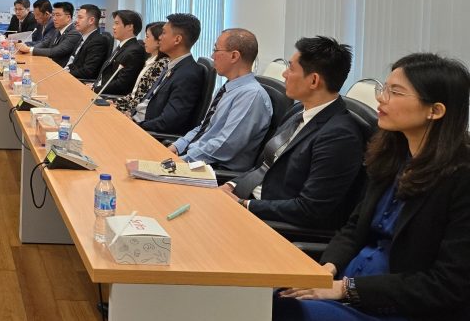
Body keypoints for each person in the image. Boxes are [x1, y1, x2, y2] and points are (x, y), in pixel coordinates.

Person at [272, 53, 470, 321]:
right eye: (384, 88)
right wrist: (326, 269)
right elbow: (353, 228)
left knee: (269, 314)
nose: (381, 99)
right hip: (350, 296)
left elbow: (446, 285)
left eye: (395, 92)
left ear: (435, 110)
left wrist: (345, 289)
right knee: (256, 297)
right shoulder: (393, 155)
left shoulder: (461, 179)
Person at [221, 36, 366, 230]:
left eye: (291, 68)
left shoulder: (339, 136)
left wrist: (244, 205)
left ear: (314, 80)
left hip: (271, 224)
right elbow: (265, 166)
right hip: (249, 201)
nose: (284, 74)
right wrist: (231, 185)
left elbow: (309, 209)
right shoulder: (298, 111)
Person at [167, 28, 272, 172]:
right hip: (195, 157)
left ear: (234, 56)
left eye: (216, 50)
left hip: (213, 169)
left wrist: (182, 161)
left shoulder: (251, 96)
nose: (212, 56)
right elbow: (204, 128)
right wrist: (176, 147)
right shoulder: (227, 88)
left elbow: (224, 146)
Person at [132, 13, 206, 135]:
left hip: (149, 133)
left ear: (177, 39)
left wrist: (136, 125)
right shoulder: (173, 65)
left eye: (164, 33)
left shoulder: (187, 75)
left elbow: (169, 122)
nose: (160, 37)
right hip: (140, 120)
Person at [116, 21, 168, 114]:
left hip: (135, 114)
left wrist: (119, 106)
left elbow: (142, 99)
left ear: (158, 41)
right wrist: (116, 103)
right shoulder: (150, 60)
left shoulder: (161, 65)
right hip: (130, 107)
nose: (144, 41)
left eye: (147, 37)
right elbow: (135, 95)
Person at [92, 10, 147, 95]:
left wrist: (95, 89)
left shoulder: (134, 51)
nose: (113, 27)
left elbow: (121, 84)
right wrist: (94, 85)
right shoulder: (122, 47)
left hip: (109, 96)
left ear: (130, 27)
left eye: (117, 23)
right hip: (100, 90)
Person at [16, 1, 80, 67]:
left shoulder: (74, 33)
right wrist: (25, 47)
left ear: (68, 17)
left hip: (60, 69)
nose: (54, 18)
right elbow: (45, 43)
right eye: (53, 15)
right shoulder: (57, 30)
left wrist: (29, 49)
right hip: (49, 64)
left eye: (58, 15)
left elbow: (55, 51)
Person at [65, 4, 110, 80]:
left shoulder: (98, 41)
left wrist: (65, 74)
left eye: (80, 17)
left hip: (81, 82)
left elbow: (87, 71)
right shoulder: (83, 38)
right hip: (71, 76)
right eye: (77, 17)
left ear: (91, 20)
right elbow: (74, 62)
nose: (76, 21)